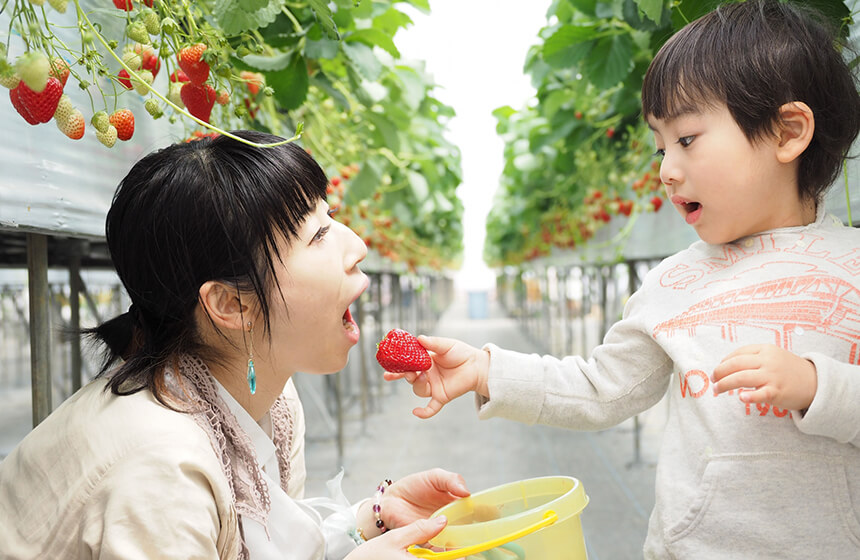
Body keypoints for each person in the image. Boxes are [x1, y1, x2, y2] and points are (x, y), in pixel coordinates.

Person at [385, 1, 860, 558]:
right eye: (661, 146)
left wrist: (817, 386)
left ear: (787, 132)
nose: (666, 168)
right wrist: (490, 370)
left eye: (686, 139)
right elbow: (601, 386)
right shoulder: (674, 282)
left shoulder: (852, 266)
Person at [0, 130, 470, 559]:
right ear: (231, 304)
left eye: (333, 218)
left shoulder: (274, 402)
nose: (358, 247)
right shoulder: (161, 468)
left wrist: (371, 518)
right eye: (320, 235)